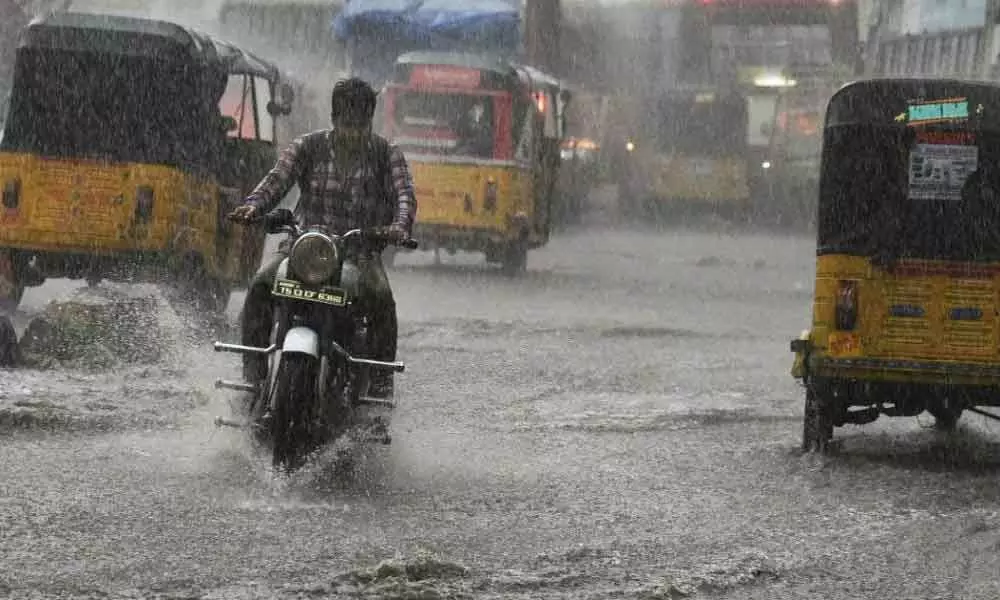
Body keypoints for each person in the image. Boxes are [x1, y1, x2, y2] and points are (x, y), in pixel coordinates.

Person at [229, 77, 416, 399]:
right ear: (334, 119)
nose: (353, 133)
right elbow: (276, 181)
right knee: (261, 285)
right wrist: (252, 206)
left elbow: (405, 196)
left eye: (360, 125)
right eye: (347, 123)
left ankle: (380, 388)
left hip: (359, 254)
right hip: (303, 248)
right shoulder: (307, 146)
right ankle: (253, 375)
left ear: (369, 121)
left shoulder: (387, 155)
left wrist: (399, 226)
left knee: (382, 302)